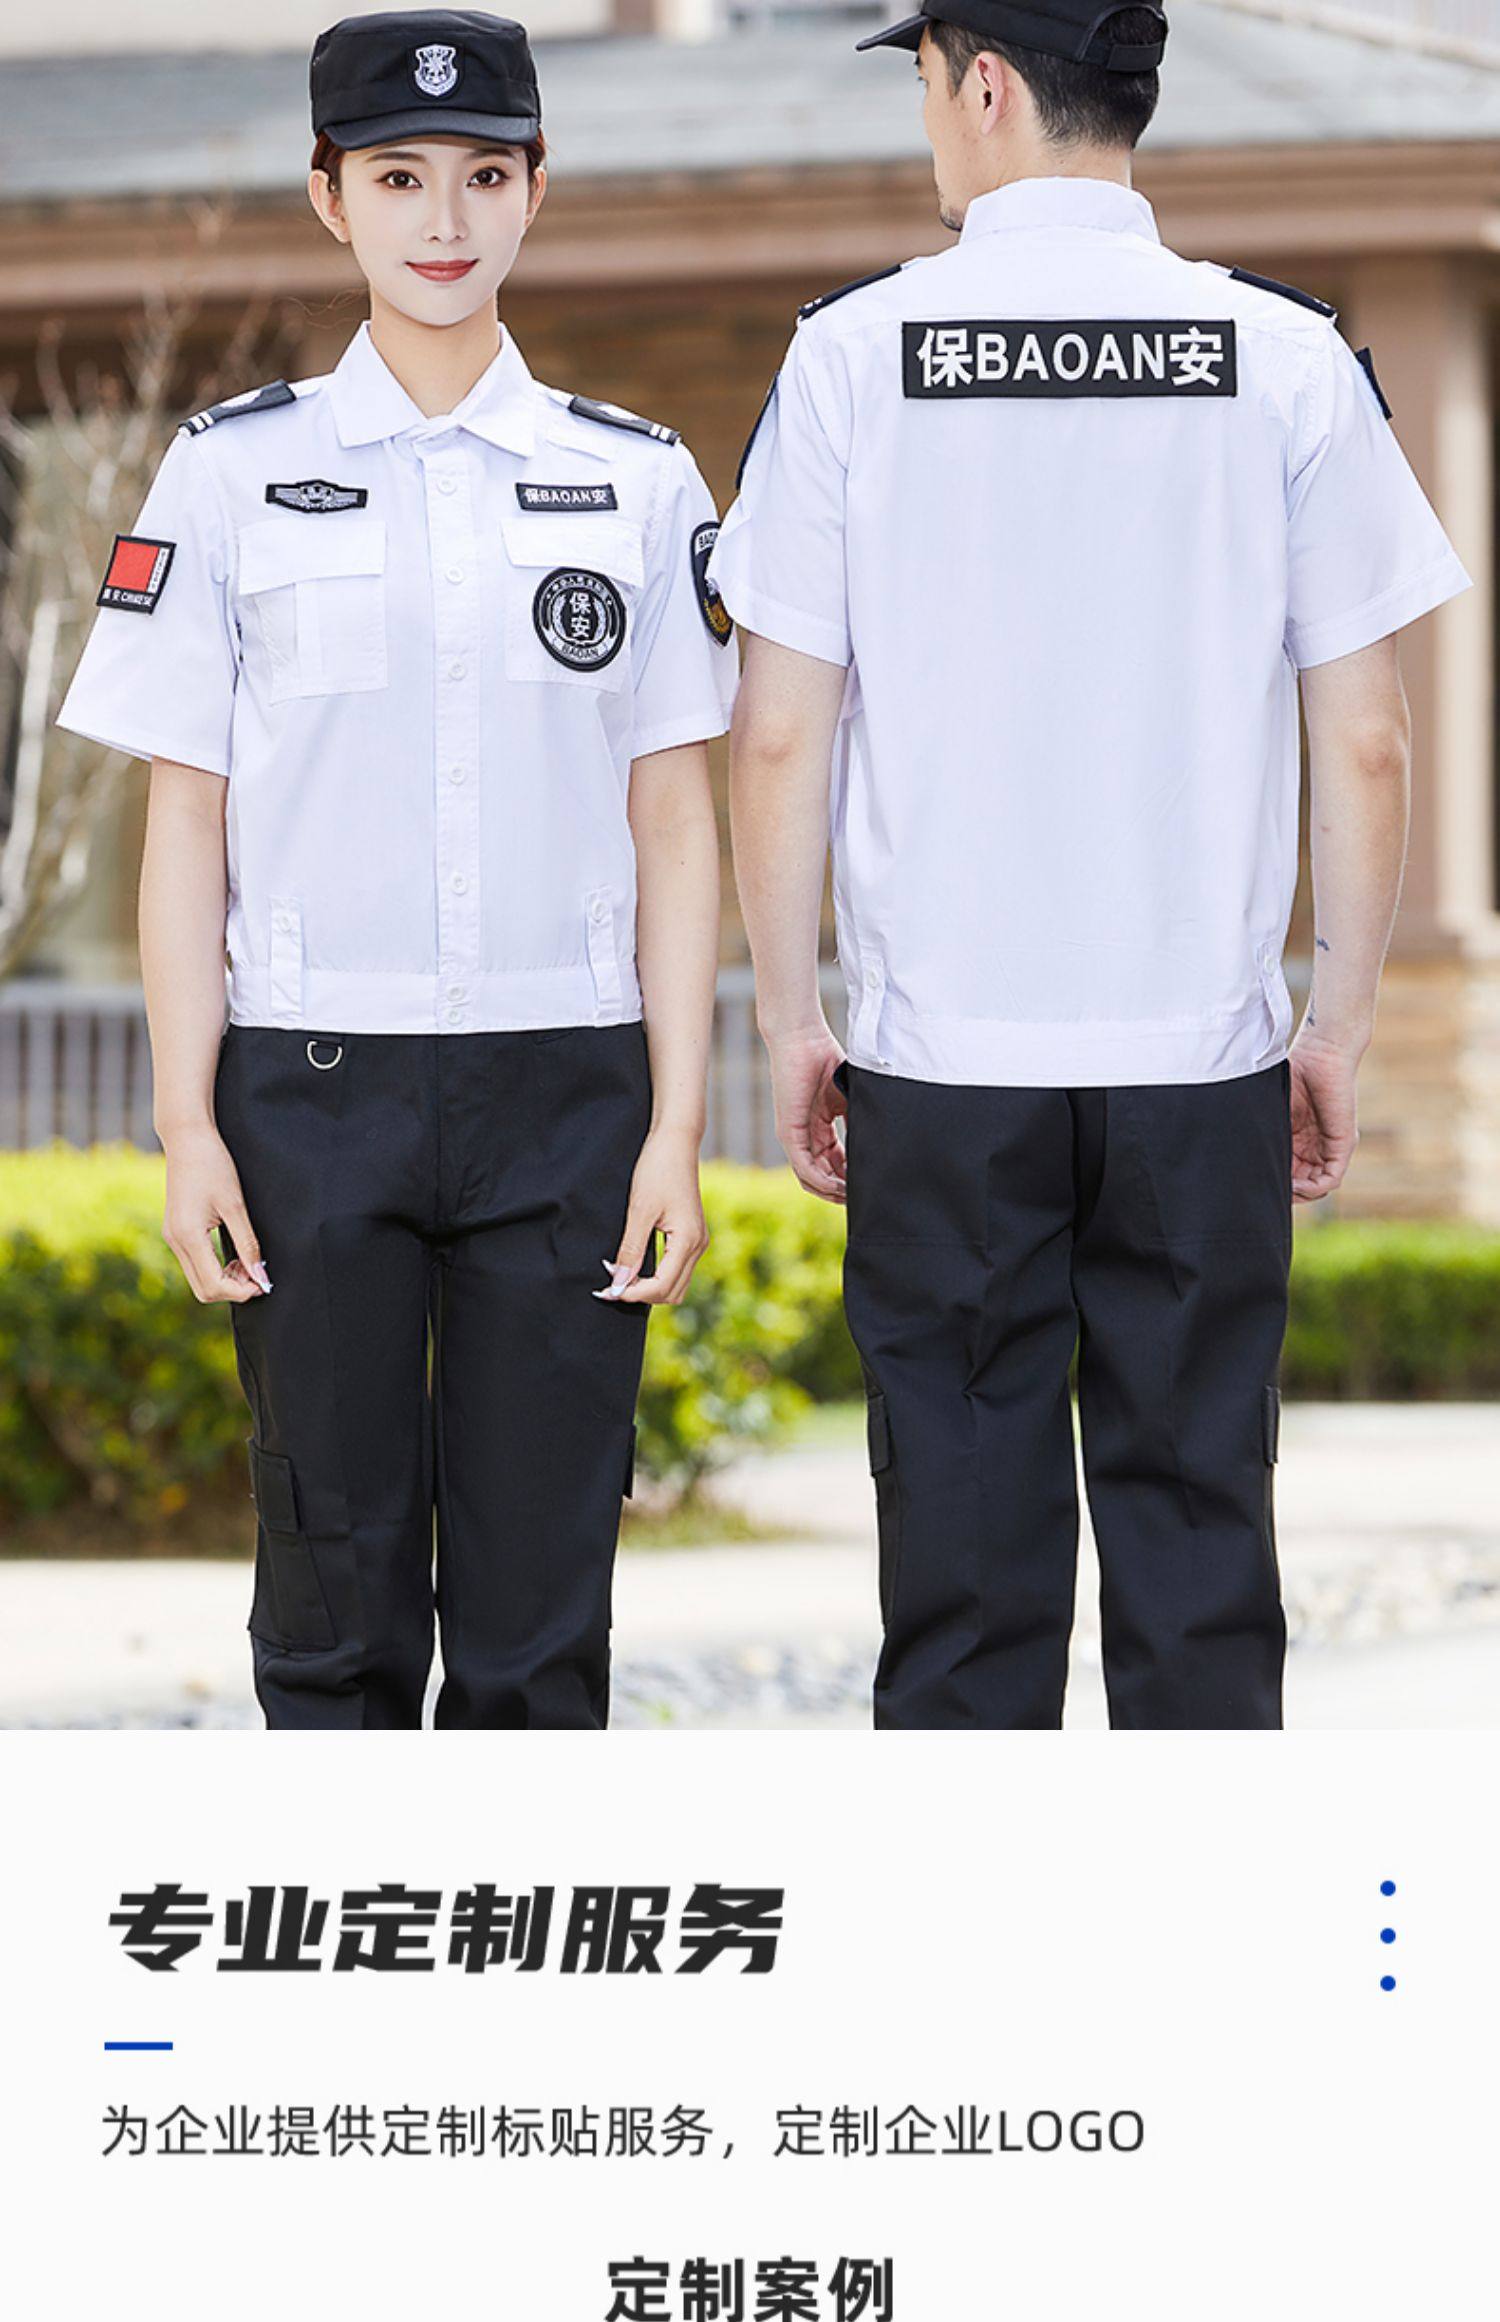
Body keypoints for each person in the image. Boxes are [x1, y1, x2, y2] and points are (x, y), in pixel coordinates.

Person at [710, 0, 1470, 1729]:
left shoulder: (852, 359)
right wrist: (1335, 1029)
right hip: (1200, 1064)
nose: (927, 115)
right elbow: (1366, 737)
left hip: (943, 1067)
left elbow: (777, 737)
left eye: (924, 80)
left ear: (984, 84)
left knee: (963, 1602)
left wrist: (792, 1021)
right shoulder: (1284, 358)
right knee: (1201, 1569)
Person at [56, 10, 736, 1730]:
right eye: (399, 177)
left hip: (567, 1089)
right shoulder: (228, 473)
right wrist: (188, 1121)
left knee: (539, 1636)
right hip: (312, 1093)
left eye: (485, 176)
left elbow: (675, 817)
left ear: (535, 193)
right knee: (332, 1614)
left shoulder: (636, 480)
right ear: (329, 197)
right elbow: (186, 818)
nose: (444, 218)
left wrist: (674, 1124)